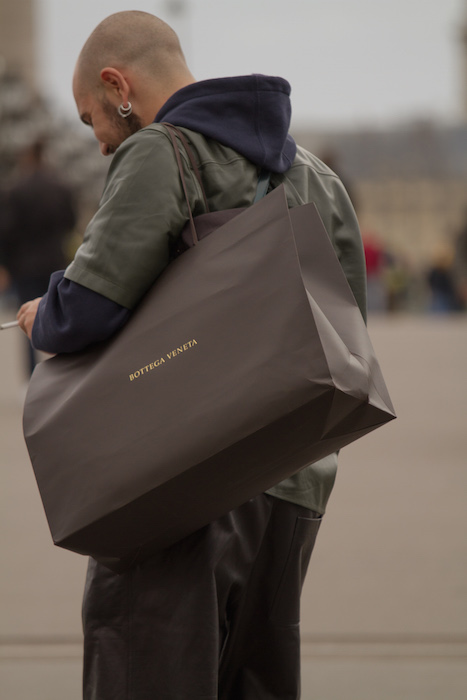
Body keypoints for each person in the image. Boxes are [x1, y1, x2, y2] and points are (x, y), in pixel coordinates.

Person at [17, 11, 367, 700]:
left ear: (118, 85)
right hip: (291, 488)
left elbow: (89, 306)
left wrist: (43, 313)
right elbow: (345, 325)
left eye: (92, 119)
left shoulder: (162, 151)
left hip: (183, 485)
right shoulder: (317, 177)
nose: (98, 143)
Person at [1, 139, 76, 374]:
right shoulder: (60, 187)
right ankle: (64, 371)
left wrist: (4, 264)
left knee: (26, 321)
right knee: (58, 317)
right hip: (55, 262)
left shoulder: (16, 190)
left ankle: (34, 375)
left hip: (24, 266)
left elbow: (7, 231)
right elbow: (70, 222)